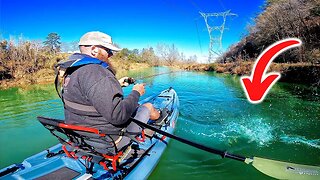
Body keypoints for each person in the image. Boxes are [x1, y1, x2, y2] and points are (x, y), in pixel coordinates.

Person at [57, 31, 160, 152]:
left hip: (80, 137)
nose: (111, 54)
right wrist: (136, 92)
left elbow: (88, 95)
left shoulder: (70, 71)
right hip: (109, 141)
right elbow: (119, 116)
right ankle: (159, 121)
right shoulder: (97, 71)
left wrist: (117, 84)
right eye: (108, 50)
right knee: (148, 106)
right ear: (94, 49)